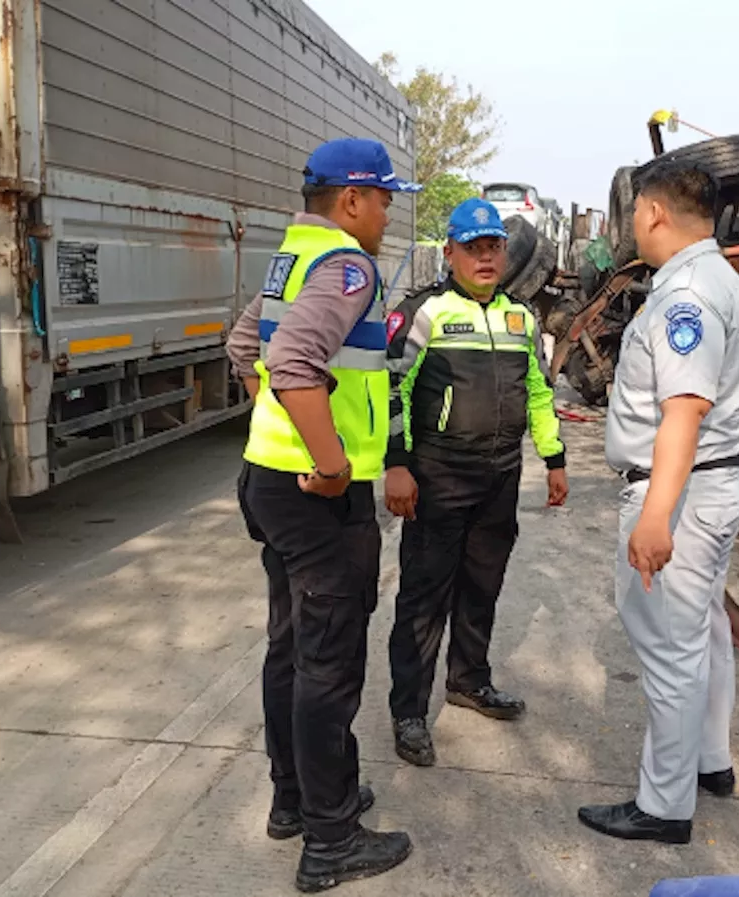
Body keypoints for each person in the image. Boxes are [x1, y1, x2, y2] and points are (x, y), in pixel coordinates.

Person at [228, 136, 419, 892]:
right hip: (316, 497)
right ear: (351, 199)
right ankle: (332, 840)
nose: (388, 211)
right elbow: (297, 363)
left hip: (269, 483)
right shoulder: (347, 264)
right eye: (383, 198)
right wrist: (331, 459)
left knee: (291, 646)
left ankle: (297, 799)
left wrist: (278, 436)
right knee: (328, 662)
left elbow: (244, 349)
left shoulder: (290, 258)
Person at [577, 160, 739, 844]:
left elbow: (683, 410)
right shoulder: (720, 280)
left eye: (633, 213)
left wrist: (656, 515)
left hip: (682, 489)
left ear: (653, 212)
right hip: (713, 480)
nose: (632, 225)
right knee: (704, 631)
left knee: (671, 647)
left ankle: (664, 804)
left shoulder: (685, 294)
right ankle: (708, 760)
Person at [383, 198, 569, 767]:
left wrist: (554, 456)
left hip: (501, 475)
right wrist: (397, 464)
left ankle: (468, 680)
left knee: (481, 586)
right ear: (451, 253)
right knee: (423, 596)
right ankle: (409, 712)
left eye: (494, 247)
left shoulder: (521, 318)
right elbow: (391, 391)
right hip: (436, 475)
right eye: (474, 247)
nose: (486, 258)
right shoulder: (426, 312)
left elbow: (538, 390)